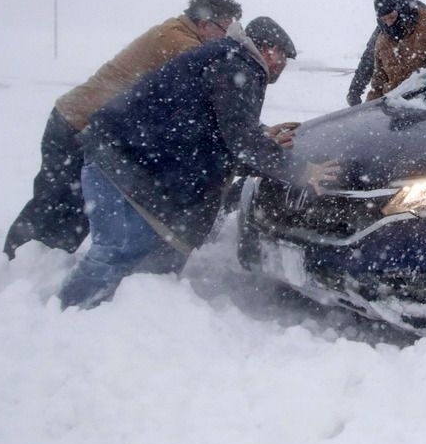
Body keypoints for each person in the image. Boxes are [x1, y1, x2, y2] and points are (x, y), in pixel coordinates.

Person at [57, 16, 340, 309]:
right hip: (120, 161)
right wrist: (301, 171)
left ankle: (127, 317)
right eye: (283, 56)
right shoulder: (238, 66)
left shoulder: (229, 57)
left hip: (137, 162)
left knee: (152, 255)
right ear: (268, 50)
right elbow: (239, 141)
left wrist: (261, 136)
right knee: (115, 251)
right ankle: (66, 313)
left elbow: (222, 125)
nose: (282, 64)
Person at [3, 0, 246, 260]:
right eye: (227, 29)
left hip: (88, 126)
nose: (228, 38)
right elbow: (214, 90)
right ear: (204, 24)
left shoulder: (178, 35)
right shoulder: (177, 41)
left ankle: (37, 264)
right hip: (76, 123)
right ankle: (16, 263)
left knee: (75, 207)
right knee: (55, 203)